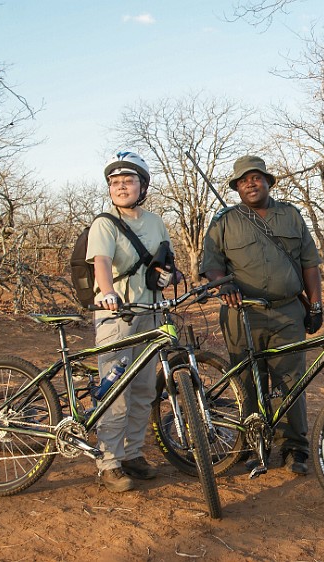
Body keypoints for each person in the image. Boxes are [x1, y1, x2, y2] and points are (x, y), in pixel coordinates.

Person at [200, 155, 323, 475]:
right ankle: (253, 444)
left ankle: (294, 446)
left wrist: (316, 305)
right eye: (243, 180)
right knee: (247, 382)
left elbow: (310, 263)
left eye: (256, 178)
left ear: (268, 182)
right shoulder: (224, 221)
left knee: (290, 380)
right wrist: (222, 285)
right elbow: (211, 264)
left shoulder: (291, 216)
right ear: (237, 187)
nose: (250, 184)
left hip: (287, 311)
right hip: (242, 314)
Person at [87, 151, 178, 492]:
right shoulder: (105, 222)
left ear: (143, 185)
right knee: (114, 389)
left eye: (128, 181)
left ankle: (133, 454)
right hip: (118, 314)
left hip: (151, 313)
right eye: (114, 182)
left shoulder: (155, 221)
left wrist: (170, 276)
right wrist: (108, 293)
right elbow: (101, 262)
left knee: (142, 389)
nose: (120, 187)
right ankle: (108, 461)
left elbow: (166, 261)